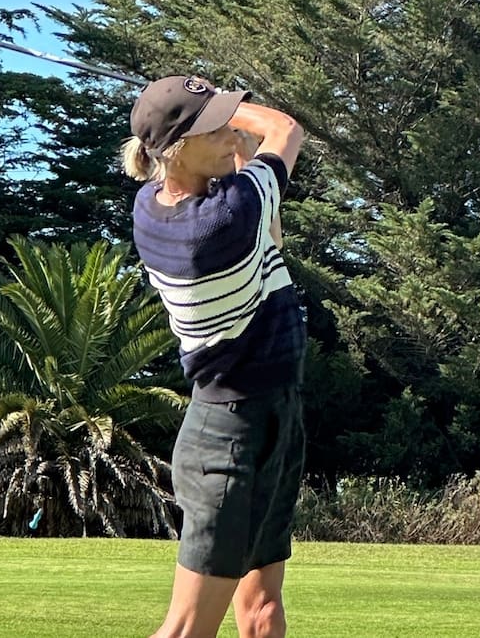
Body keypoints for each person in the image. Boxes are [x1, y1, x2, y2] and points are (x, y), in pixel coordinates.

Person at [122, 75, 307, 638]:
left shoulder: (154, 204)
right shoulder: (222, 220)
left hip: (275, 410)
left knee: (263, 615)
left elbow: (248, 175)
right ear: (178, 149)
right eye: (216, 127)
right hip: (226, 432)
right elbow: (283, 129)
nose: (231, 133)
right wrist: (246, 112)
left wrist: (211, 120)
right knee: (186, 630)